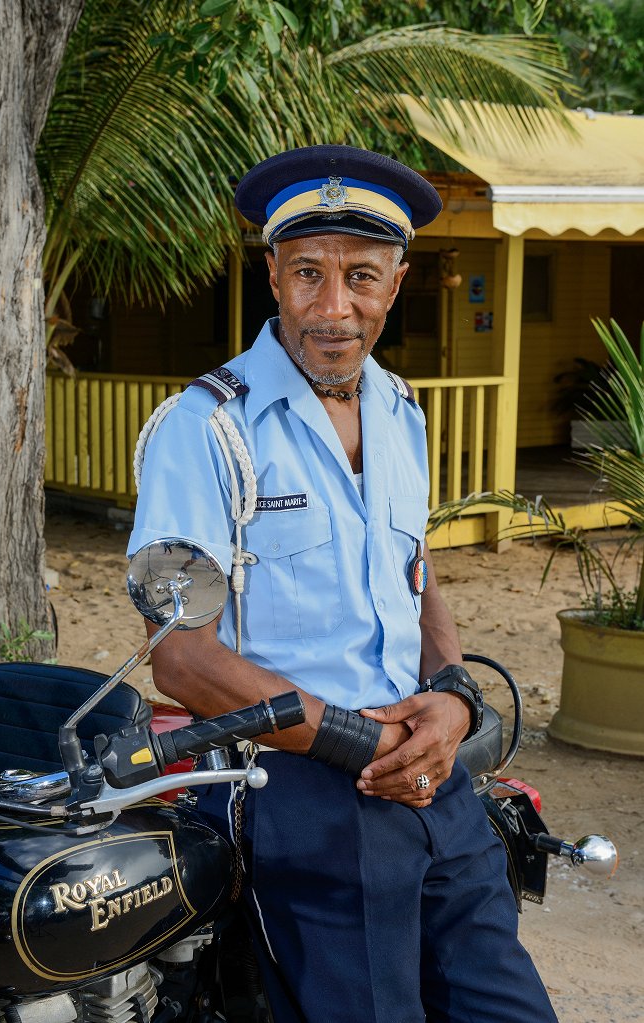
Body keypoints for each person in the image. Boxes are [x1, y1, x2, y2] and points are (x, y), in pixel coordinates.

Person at [128, 145, 558, 1023]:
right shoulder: (204, 428)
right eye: (307, 275)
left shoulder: (402, 412)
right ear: (272, 275)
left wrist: (451, 696)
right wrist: (359, 741)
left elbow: (414, 570)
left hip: (429, 768)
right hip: (297, 787)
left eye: (360, 276)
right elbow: (180, 657)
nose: (333, 308)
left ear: (396, 284)